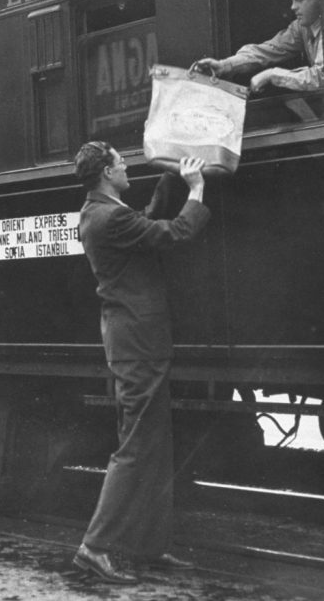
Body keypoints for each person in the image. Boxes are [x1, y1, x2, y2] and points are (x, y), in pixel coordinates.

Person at [71, 141, 210, 584]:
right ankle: (94, 547)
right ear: (106, 173)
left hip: (133, 339)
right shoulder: (110, 217)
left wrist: (171, 177)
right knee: (134, 448)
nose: (126, 163)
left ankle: (147, 547)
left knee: (153, 444)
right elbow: (173, 233)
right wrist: (196, 189)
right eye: (119, 161)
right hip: (138, 342)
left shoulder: (100, 211)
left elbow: (143, 221)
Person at [195, 0, 323, 93]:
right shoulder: (301, 27)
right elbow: (268, 50)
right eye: (292, 0)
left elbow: (323, 76)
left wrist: (272, 75)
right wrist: (224, 65)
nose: (293, 7)